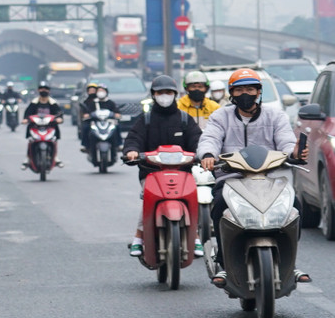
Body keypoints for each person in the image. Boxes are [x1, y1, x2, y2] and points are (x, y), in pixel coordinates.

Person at [196, 68, 306, 284]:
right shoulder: (220, 116)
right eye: (239, 90)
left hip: (270, 179)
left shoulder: (275, 115)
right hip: (230, 180)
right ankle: (224, 264)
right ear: (231, 93)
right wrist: (208, 155)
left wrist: (294, 152)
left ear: (258, 92)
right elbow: (210, 138)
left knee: (295, 207)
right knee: (219, 206)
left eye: (250, 89)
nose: (245, 94)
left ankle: (290, 261)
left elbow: (285, 139)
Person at [123, 74, 202, 257]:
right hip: (151, 172)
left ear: (175, 94)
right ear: (153, 95)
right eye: (160, 92)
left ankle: (195, 236)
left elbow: (197, 140)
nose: (164, 96)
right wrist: (132, 151)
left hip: (182, 172)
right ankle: (139, 237)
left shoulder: (184, 119)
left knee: (193, 198)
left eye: (168, 92)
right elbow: (134, 138)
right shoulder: (146, 119)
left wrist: (203, 153)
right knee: (149, 200)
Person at [22, 84, 63, 168]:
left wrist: (59, 119)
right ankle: (28, 157)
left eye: (45, 89)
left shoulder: (53, 103)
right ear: (38, 90)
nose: (43, 91)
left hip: (49, 126)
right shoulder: (34, 103)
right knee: (31, 140)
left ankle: (55, 157)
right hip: (36, 126)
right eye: (41, 89)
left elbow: (58, 113)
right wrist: (26, 119)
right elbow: (28, 113)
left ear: (49, 91)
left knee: (54, 139)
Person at [77, 80, 117, 149]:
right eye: (90, 90)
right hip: (94, 121)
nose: (92, 92)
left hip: (107, 121)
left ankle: (118, 145)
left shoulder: (110, 102)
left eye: (93, 90)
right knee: (86, 128)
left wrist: (115, 115)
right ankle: (86, 146)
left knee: (116, 128)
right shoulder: (91, 102)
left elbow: (116, 111)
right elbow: (86, 112)